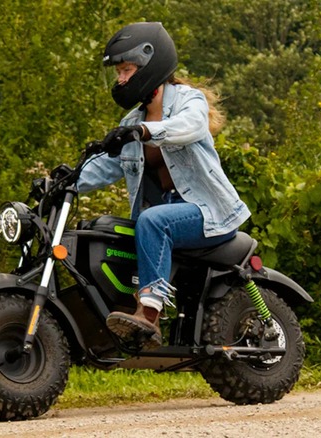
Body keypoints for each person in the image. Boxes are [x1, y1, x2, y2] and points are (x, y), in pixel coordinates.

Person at [77, 22, 251, 350]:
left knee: (154, 220)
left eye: (126, 70)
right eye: (118, 72)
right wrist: (65, 180)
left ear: (149, 65)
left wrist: (145, 132)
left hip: (209, 213)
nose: (121, 79)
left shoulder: (189, 101)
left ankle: (149, 315)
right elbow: (105, 167)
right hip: (168, 216)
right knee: (111, 230)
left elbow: (189, 127)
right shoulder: (130, 122)